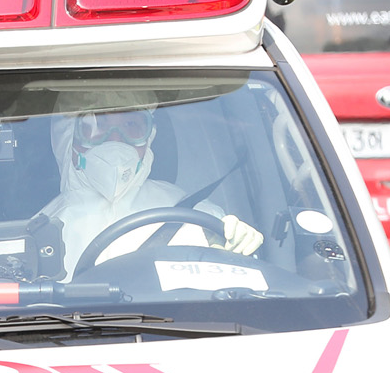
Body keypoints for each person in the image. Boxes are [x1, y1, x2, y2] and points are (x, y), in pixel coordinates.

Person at [43, 109, 261, 275]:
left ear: (149, 138)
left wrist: (233, 244)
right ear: (68, 138)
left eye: (131, 124)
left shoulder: (194, 214)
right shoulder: (40, 231)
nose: (116, 139)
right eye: (96, 125)